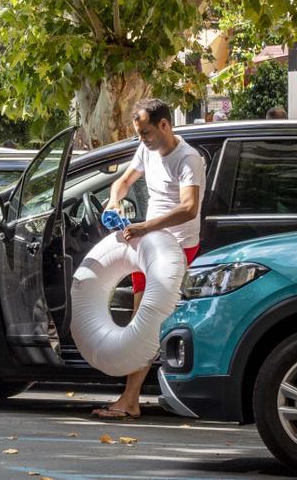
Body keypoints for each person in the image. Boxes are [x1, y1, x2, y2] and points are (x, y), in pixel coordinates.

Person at [92, 98, 205, 420]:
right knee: (143, 321)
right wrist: (114, 201)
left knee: (145, 321)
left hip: (177, 248)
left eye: (145, 133)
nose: (142, 139)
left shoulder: (188, 159)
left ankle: (130, 400)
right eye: (139, 134)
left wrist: (143, 226)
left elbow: (189, 208)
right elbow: (124, 181)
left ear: (164, 125)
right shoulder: (147, 150)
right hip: (149, 243)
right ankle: (131, 398)